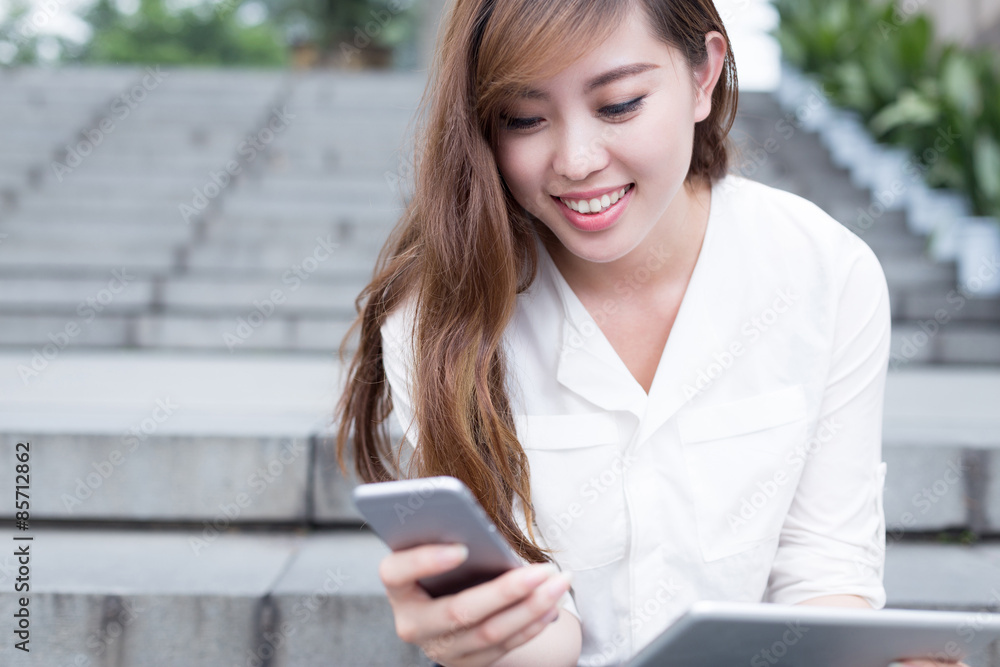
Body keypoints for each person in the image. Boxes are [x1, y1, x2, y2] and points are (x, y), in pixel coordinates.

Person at [334, 1, 971, 666]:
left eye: (619, 104)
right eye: (523, 119)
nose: (576, 161)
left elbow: (825, 578)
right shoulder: (437, 317)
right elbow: (544, 635)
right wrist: (483, 633)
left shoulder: (823, 273)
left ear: (704, 76)